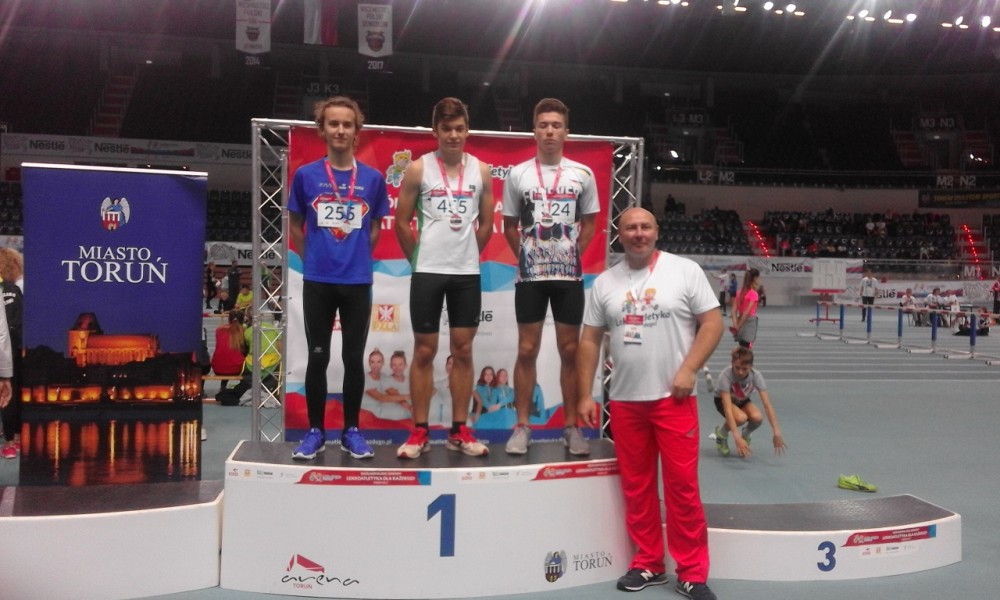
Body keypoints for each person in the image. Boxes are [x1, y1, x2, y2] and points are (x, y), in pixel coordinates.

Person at [576, 207, 722, 600]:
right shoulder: (605, 283)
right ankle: (648, 563)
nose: (638, 233)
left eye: (645, 227)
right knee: (637, 489)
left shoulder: (684, 271)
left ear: (656, 231)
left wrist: (689, 369)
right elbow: (590, 340)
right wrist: (586, 394)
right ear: (619, 234)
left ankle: (691, 572)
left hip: (674, 399)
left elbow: (713, 323)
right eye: (630, 228)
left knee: (682, 489)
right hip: (625, 402)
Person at [287, 95, 390, 460]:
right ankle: (315, 431)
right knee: (317, 356)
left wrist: (355, 256)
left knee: (353, 356)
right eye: (334, 123)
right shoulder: (306, 176)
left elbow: (374, 228)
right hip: (318, 280)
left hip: (357, 282)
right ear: (323, 129)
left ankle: (351, 431)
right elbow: (295, 226)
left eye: (347, 124)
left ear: (356, 131)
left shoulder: (373, 179)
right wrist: (315, 258)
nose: (341, 130)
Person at [395, 97, 495, 458]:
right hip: (427, 272)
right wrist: (419, 260)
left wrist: (466, 254)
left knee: (463, 350)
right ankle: (420, 432)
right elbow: (401, 222)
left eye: (459, 129)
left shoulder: (481, 171)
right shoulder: (418, 169)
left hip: (466, 273)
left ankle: (459, 430)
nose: (453, 135)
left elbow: (487, 223)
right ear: (435, 131)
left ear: (467, 131)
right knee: (424, 350)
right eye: (447, 129)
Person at [502, 98, 600, 457]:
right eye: (543, 125)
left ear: (566, 132)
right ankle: (522, 426)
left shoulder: (582, 174)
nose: (549, 131)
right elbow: (509, 226)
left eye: (556, 125)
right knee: (527, 349)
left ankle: (571, 427)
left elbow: (590, 224)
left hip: (568, 277)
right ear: (534, 131)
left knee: (570, 351)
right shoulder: (518, 174)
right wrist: (528, 257)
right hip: (530, 276)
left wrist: (571, 255)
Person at [712, 346, 786, 458]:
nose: (740, 372)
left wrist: (776, 432)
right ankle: (722, 434)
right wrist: (737, 438)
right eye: (737, 368)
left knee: (757, 417)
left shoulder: (756, 376)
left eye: (745, 369)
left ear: (751, 366)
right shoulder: (726, 376)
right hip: (723, 401)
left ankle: (746, 434)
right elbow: (727, 409)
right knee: (740, 418)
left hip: (742, 399)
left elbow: (767, 405)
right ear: (732, 363)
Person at [0, 255, 22, 459]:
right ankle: (11, 440)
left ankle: (10, 440)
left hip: (8, 348)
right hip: (11, 350)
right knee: (8, 393)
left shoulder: (7, 290)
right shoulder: (13, 290)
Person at [211, 310, 247, 392]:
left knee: (227, 355)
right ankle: (244, 387)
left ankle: (223, 386)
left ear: (229, 319)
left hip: (218, 368)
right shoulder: (244, 331)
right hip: (237, 370)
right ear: (243, 320)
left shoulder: (219, 330)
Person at [730, 268, 760, 348]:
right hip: (749, 321)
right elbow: (747, 312)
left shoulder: (739, 292)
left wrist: (735, 324)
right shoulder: (753, 294)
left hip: (740, 319)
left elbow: (733, 310)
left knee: (742, 345)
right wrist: (738, 326)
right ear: (755, 279)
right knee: (747, 347)